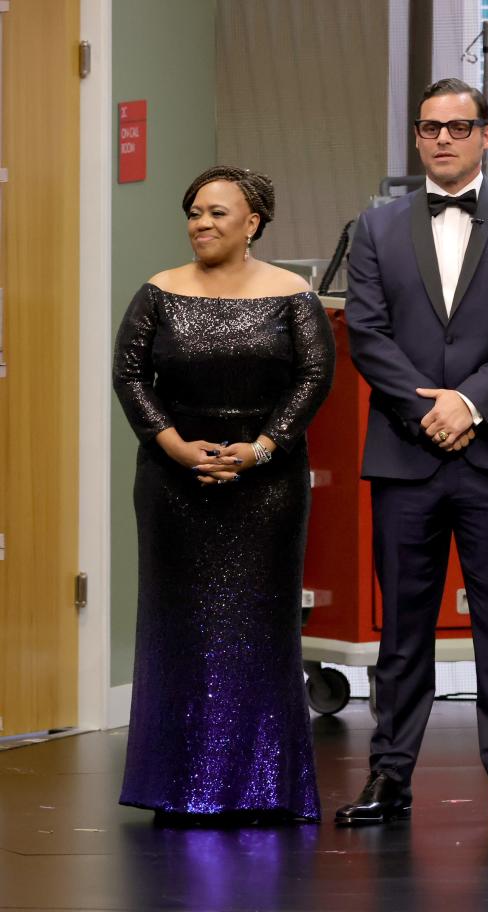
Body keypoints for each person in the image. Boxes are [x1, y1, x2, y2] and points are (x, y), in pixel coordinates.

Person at [337, 78, 488, 828]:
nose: (442, 140)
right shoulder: (375, 228)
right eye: (430, 128)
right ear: (417, 135)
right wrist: (426, 407)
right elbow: (366, 332)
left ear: (486, 135)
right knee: (403, 628)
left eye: (458, 127)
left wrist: (467, 403)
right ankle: (388, 776)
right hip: (405, 452)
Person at [113, 166, 335, 824]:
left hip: (266, 487)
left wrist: (264, 446)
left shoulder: (294, 294)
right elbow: (130, 377)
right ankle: (177, 787)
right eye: (193, 213)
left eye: (216, 213)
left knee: (259, 632)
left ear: (253, 222)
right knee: (178, 629)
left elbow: (314, 379)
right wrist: (174, 445)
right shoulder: (158, 291)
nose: (201, 224)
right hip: (172, 486)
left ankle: (266, 784)